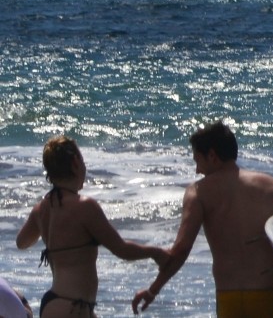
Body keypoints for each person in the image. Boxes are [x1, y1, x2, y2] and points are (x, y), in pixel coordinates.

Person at [132, 121, 273, 318]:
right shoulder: (271, 187)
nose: (197, 170)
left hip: (228, 303)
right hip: (267, 301)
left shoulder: (198, 193)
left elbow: (181, 251)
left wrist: (153, 290)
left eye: (197, 161)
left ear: (212, 156)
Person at [15, 136, 168, 318]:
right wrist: (156, 253)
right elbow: (122, 250)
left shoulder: (41, 208)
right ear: (76, 163)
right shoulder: (85, 206)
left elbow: (21, 243)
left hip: (57, 305)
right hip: (72, 308)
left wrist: (51, 237)